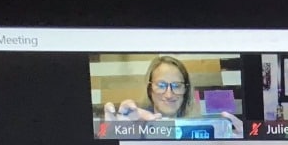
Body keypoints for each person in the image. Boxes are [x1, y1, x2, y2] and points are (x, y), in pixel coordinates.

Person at [102, 55, 242, 135]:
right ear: (150, 89)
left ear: (186, 90)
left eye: (177, 85)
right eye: (161, 85)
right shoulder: (136, 126)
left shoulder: (203, 129)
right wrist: (114, 135)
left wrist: (244, 141)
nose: (169, 94)